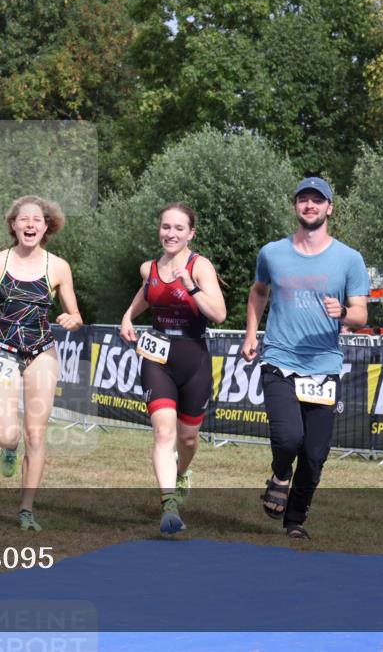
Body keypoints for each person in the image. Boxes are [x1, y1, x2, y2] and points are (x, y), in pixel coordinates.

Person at [241, 177, 369, 540]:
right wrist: (251, 333)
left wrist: (342, 312)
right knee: (287, 439)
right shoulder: (272, 253)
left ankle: (295, 520)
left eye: (318, 200)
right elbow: (258, 292)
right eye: (303, 200)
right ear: (296, 206)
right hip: (279, 358)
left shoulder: (349, 259)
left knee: (314, 455)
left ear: (330, 208)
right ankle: (280, 475)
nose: (310, 205)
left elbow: (361, 315)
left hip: (324, 367)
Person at [0, 195, 82, 531]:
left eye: (37, 220)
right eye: (24, 219)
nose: (30, 225)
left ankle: (26, 509)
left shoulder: (58, 267)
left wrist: (72, 320)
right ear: (13, 224)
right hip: (2, 350)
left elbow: (76, 314)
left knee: (35, 434)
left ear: (47, 226)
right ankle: (8, 450)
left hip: (42, 351)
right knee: (8, 434)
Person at [118, 203, 227, 534]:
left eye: (179, 228)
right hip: (157, 356)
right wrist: (127, 316)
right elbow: (149, 294)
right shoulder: (148, 267)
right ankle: (169, 506)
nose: (171, 233)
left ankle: (181, 474)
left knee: (188, 438)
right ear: (159, 229)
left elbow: (219, 314)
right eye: (166, 227)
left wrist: (190, 285)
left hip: (193, 357)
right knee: (163, 432)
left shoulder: (200, 266)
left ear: (191, 233)